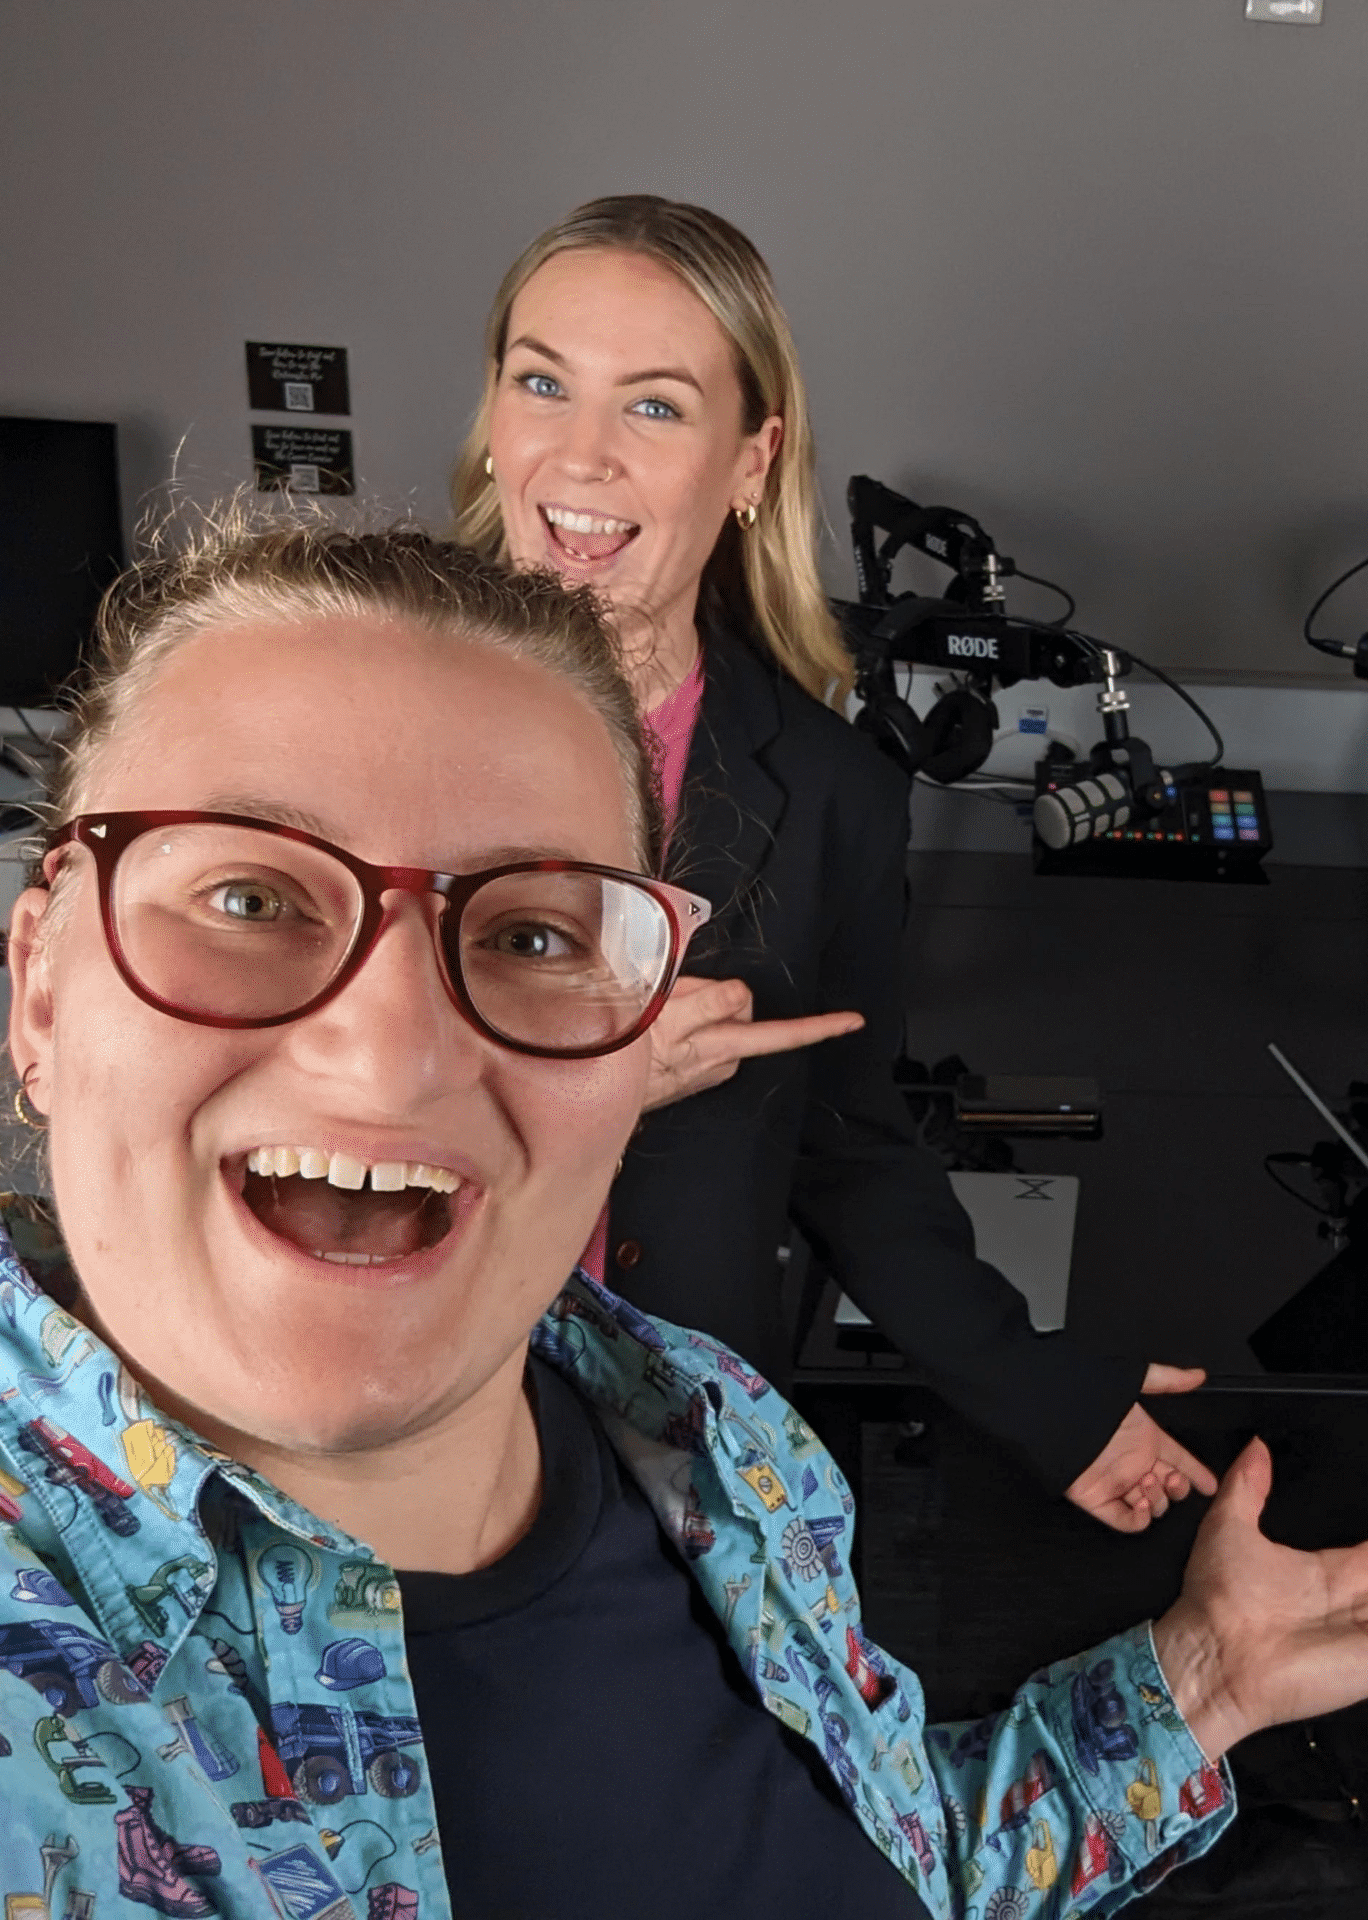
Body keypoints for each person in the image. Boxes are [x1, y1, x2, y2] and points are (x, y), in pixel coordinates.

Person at [0, 519, 1368, 1916]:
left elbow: (889, 1862)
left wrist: (1198, 1683)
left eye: (536, 935)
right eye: (248, 896)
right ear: (39, 987)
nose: (394, 1049)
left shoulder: (718, 1442)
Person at [448, 195, 1209, 1532]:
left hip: (675, 1436)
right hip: (400, 1392)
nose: (580, 456)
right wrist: (597, 1069)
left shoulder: (833, 793)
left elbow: (854, 1148)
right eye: (542, 383)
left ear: (752, 463)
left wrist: (1035, 1385)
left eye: (656, 407)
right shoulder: (354, 716)